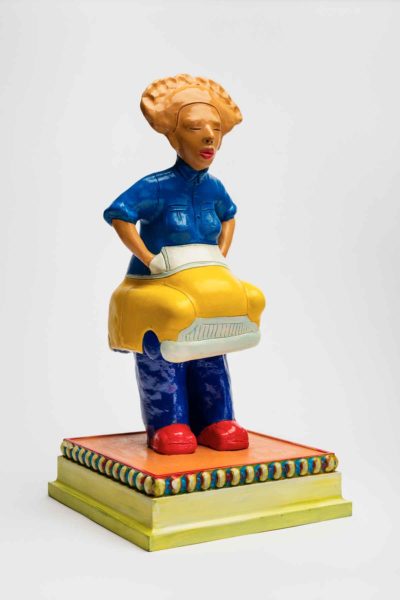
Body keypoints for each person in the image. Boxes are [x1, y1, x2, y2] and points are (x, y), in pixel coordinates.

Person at [104, 74, 250, 455]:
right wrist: (149, 259)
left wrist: (220, 255)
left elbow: (230, 215)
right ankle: (167, 423)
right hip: (158, 287)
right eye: (195, 128)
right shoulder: (156, 186)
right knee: (164, 353)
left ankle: (217, 419)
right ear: (174, 137)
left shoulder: (215, 188)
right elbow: (119, 214)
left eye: (215, 130)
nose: (209, 138)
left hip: (203, 289)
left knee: (211, 347)